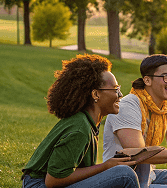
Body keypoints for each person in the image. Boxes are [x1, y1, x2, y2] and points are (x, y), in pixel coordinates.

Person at [21, 54, 139, 188]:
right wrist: (105, 166)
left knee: (121, 172)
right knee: (124, 174)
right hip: (38, 185)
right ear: (96, 94)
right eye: (116, 89)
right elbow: (53, 180)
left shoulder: (88, 121)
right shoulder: (80, 128)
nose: (120, 95)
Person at [103, 54, 167, 188]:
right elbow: (140, 154)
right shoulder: (127, 107)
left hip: (148, 175)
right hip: (121, 179)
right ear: (147, 80)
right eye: (166, 76)